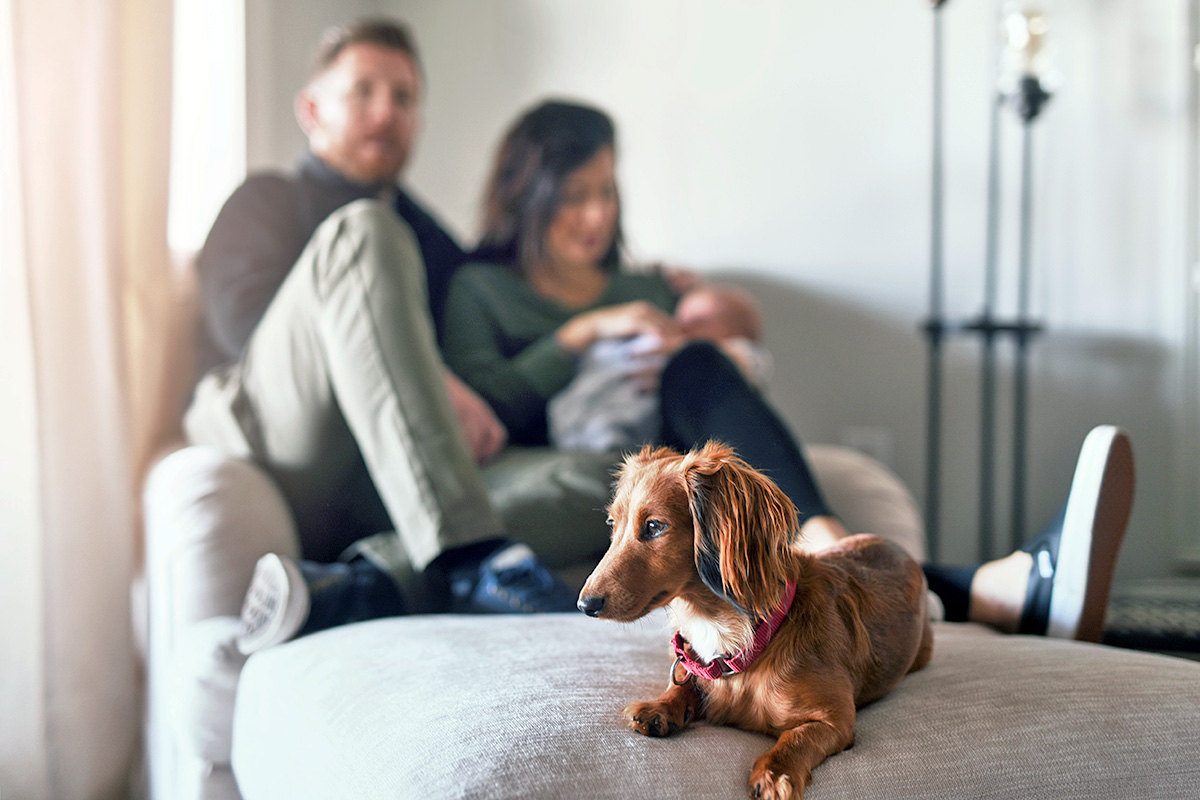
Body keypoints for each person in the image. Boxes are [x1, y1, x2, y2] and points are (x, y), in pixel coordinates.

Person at [441, 98, 1136, 642]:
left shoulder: (647, 284)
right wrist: (578, 335)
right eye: (573, 195)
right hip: (595, 462)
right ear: (528, 193)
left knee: (699, 366)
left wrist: (714, 326)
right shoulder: (482, 289)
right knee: (692, 389)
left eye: (607, 191)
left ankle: (859, 549)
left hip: (684, 460)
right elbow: (487, 408)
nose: (596, 214)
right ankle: (995, 583)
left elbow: (726, 365)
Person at [185, 19, 580, 656]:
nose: (386, 112)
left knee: (616, 486)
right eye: (363, 91)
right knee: (363, 232)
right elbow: (244, 326)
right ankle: (470, 557)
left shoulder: (426, 234)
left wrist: (659, 294)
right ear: (312, 110)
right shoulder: (268, 201)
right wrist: (433, 378)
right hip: (280, 436)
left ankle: (363, 585)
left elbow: (501, 321)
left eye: (403, 97)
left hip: (390, 474)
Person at [547, 283, 772, 451]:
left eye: (698, 322)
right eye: (679, 317)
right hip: (577, 410)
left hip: (634, 427)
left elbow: (753, 361)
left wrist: (713, 358)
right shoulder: (649, 337)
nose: (681, 326)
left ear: (731, 333)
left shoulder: (731, 353)